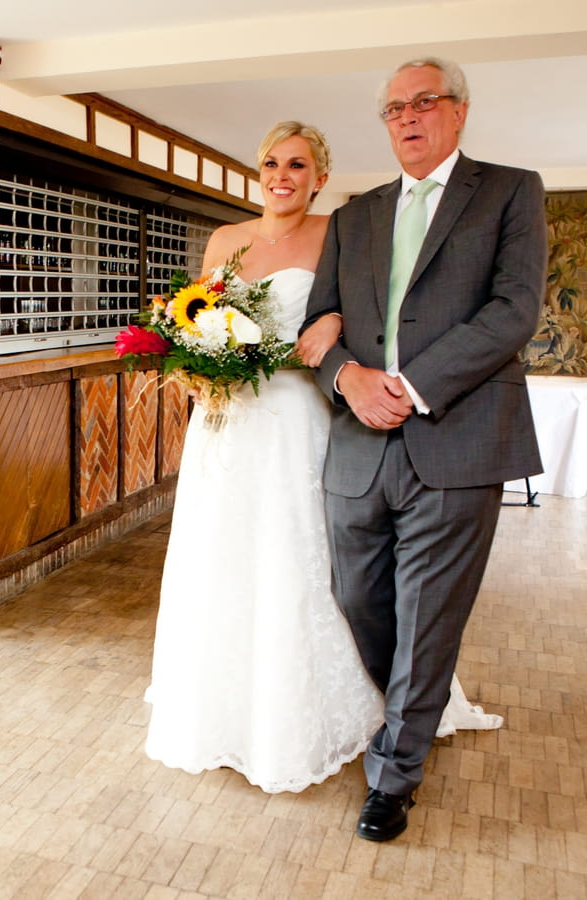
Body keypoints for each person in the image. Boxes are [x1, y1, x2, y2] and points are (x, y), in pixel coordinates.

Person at [145, 119, 505, 794]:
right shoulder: (226, 240)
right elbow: (195, 319)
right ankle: (226, 709)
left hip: (295, 418)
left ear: (320, 177)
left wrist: (334, 324)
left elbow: (352, 315)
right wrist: (197, 362)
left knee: (300, 558)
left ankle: (329, 712)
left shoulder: (335, 233)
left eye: (298, 165)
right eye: (272, 163)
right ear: (259, 172)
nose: (282, 176)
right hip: (225, 424)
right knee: (220, 556)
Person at [299, 57, 548, 838]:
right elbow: (319, 329)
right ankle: (418, 708)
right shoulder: (353, 214)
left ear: (459, 111)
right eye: (394, 109)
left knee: (429, 612)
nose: (407, 117)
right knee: (359, 600)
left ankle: (395, 771)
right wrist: (348, 380)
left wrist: (406, 384)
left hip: (458, 434)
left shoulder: (510, 190)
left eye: (424, 102)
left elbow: (515, 311)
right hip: (356, 445)